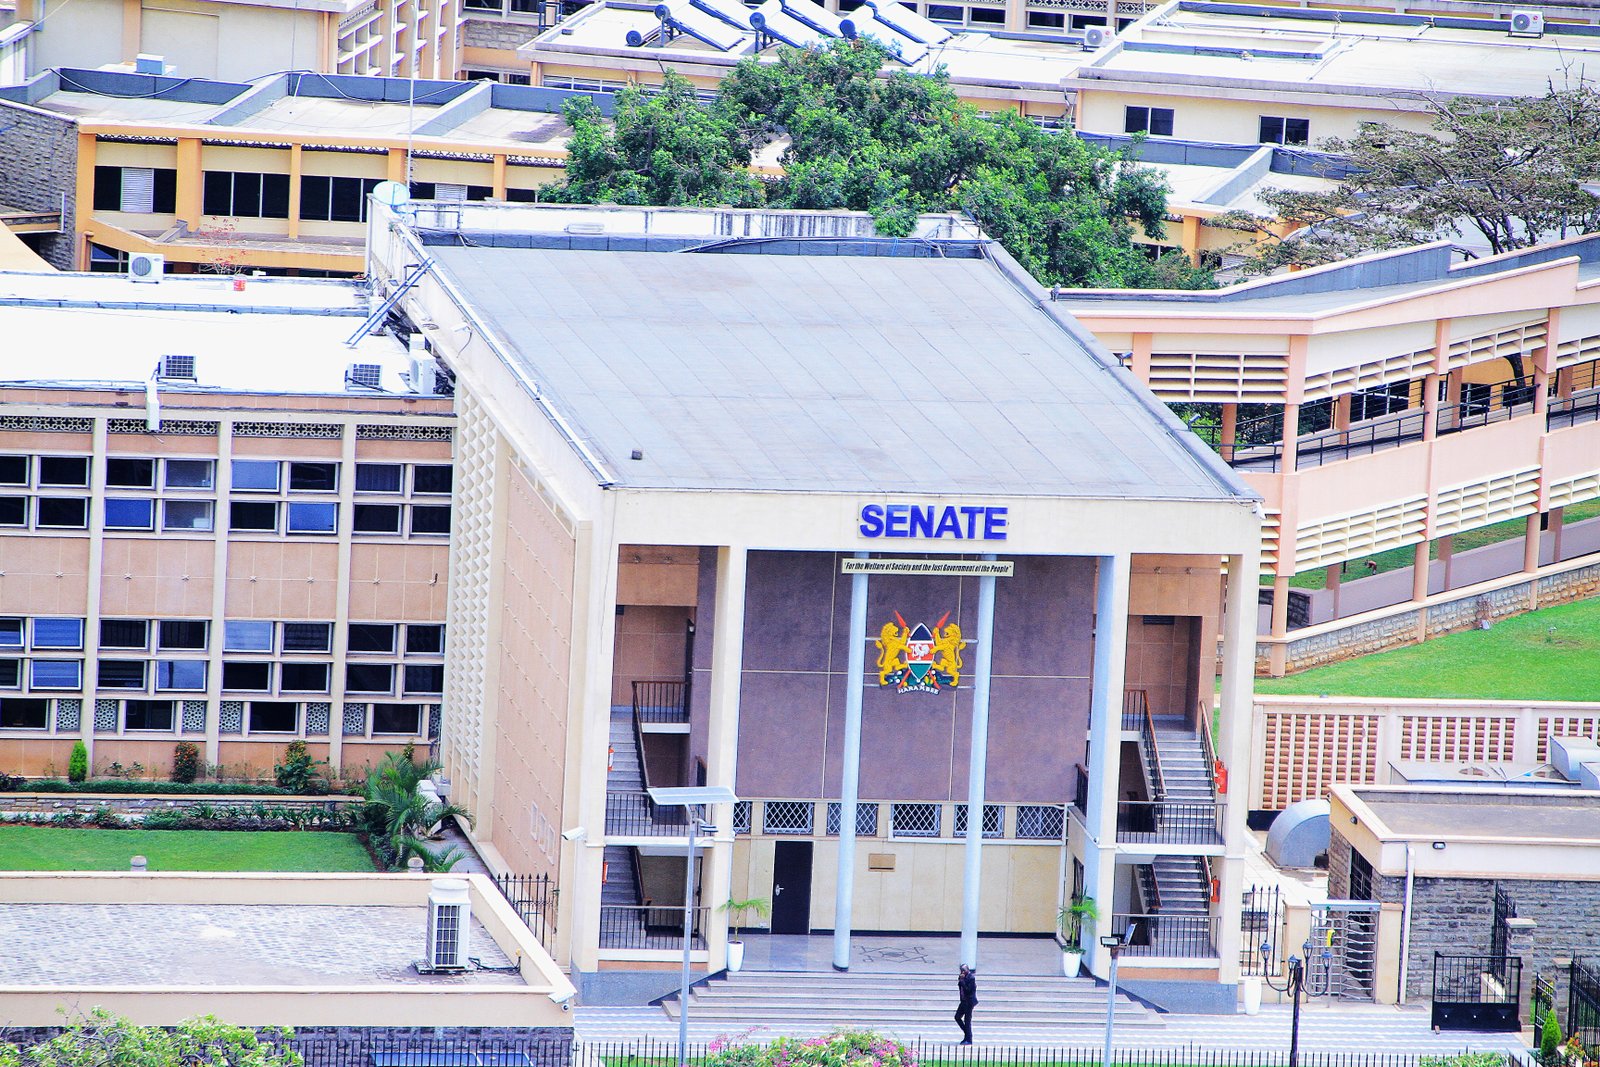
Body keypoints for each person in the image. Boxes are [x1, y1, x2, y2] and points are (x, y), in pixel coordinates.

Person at [954, 964, 978, 1044]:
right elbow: (960, 987)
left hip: (969, 1002)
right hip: (963, 1001)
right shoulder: (963, 977)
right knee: (957, 1017)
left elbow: (968, 990)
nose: (962, 972)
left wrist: (962, 981)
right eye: (961, 971)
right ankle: (967, 1034)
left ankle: (968, 1038)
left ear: (966, 970)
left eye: (963, 970)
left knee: (967, 1020)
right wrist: (960, 980)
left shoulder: (971, 978)